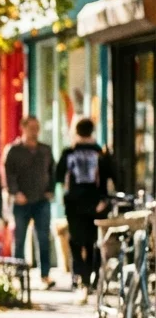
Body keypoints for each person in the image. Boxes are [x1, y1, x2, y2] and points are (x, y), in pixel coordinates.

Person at [56, 117, 116, 293]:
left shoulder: (69, 152)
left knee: (76, 240)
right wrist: (104, 200)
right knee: (95, 240)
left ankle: (80, 276)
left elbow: (59, 176)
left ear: (76, 131)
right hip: (97, 203)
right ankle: (94, 275)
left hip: (74, 203)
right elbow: (111, 177)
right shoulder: (101, 153)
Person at [3, 116, 57, 289]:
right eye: (31, 127)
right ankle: (18, 275)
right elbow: (8, 174)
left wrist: (50, 190)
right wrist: (15, 192)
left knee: (43, 238)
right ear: (23, 127)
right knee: (19, 239)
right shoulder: (13, 150)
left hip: (41, 200)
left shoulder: (45, 150)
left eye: (37, 127)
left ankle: (45, 275)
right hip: (21, 202)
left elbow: (52, 171)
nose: (34, 131)